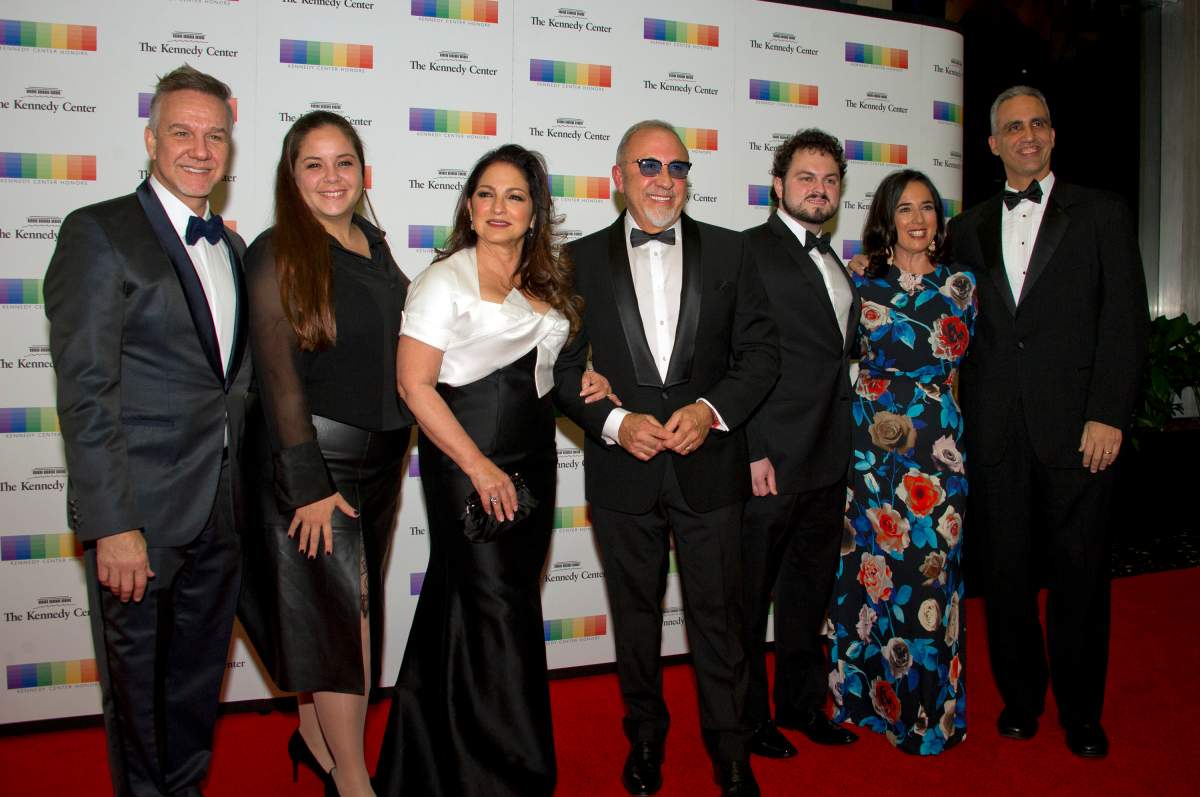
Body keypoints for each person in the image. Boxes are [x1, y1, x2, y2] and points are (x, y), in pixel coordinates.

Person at [374, 144, 615, 797]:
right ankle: (507, 776)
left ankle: (428, 766)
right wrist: (478, 466)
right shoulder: (443, 281)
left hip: (535, 459)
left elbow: (549, 365)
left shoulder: (548, 283)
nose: (498, 207)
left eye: (514, 195)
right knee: (497, 611)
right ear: (469, 206)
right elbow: (414, 385)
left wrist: (588, 377)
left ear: (535, 210)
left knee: (472, 606)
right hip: (468, 462)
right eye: (486, 194)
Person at [553, 120, 779, 797]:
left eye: (677, 167)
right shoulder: (575, 260)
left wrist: (709, 411)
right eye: (648, 165)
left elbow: (761, 355)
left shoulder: (733, 251)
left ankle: (730, 749)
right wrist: (616, 423)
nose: (664, 180)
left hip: (711, 467)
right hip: (622, 472)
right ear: (617, 177)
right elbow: (559, 368)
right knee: (635, 620)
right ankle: (645, 738)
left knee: (721, 617)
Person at [44, 65, 249, 796]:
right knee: (137, 700)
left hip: (220, 512)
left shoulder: (233, 249)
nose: (200, 149)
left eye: (215, 136)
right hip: (141, 518)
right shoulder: (99, 232)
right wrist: (113, 524)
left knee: (194, 690)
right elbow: (86, 394)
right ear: (151, 138)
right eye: (182, 132)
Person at [948, 86, 1148, 758]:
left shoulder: (1102, 212)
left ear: (1053, 135)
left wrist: (1108, 414)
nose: (1027, 135)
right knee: (1005, 576)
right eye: (1013, 127)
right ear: (993, 143)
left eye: (1037, 124)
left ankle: (1082, 711)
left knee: (1080, 577)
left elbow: (1124, 320)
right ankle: (1021, 698)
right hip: (995, 431)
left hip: (1079, 431)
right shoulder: (966, 227)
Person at [236, 111, 411, 797]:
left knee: (338, 619)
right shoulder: (276, 251)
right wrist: (306, 484)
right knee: (345, 631)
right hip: (319, 466)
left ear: (364, 172)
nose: (332, 177)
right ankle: (353, 781)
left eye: (344, 162)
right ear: (291, 175)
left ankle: (314, 743)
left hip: (382, 464)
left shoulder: (374, 244)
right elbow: (277, 377)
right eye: (314, 164)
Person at [828, 169, 976, 755]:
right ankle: (870, 704)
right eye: (905, 208)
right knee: (873, 573)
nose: (918, 219)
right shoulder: (859, 282)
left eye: (928, 208)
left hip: (938, 447)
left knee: (931, 573)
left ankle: (930, 715)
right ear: (887, 219)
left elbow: (966, 369)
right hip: (870, 452)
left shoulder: (962, 284)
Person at [740, 129, 860, 760]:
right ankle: (747, 719)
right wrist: (752, 447)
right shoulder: (747, 252)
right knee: (747, 597)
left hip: (828, 455)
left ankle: (801, 705)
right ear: (778, 185)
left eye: (830, 180)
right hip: (770, 457)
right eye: (806, 178)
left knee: (808, 591)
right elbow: (734, 358)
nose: (819, 189)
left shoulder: (835, 261)